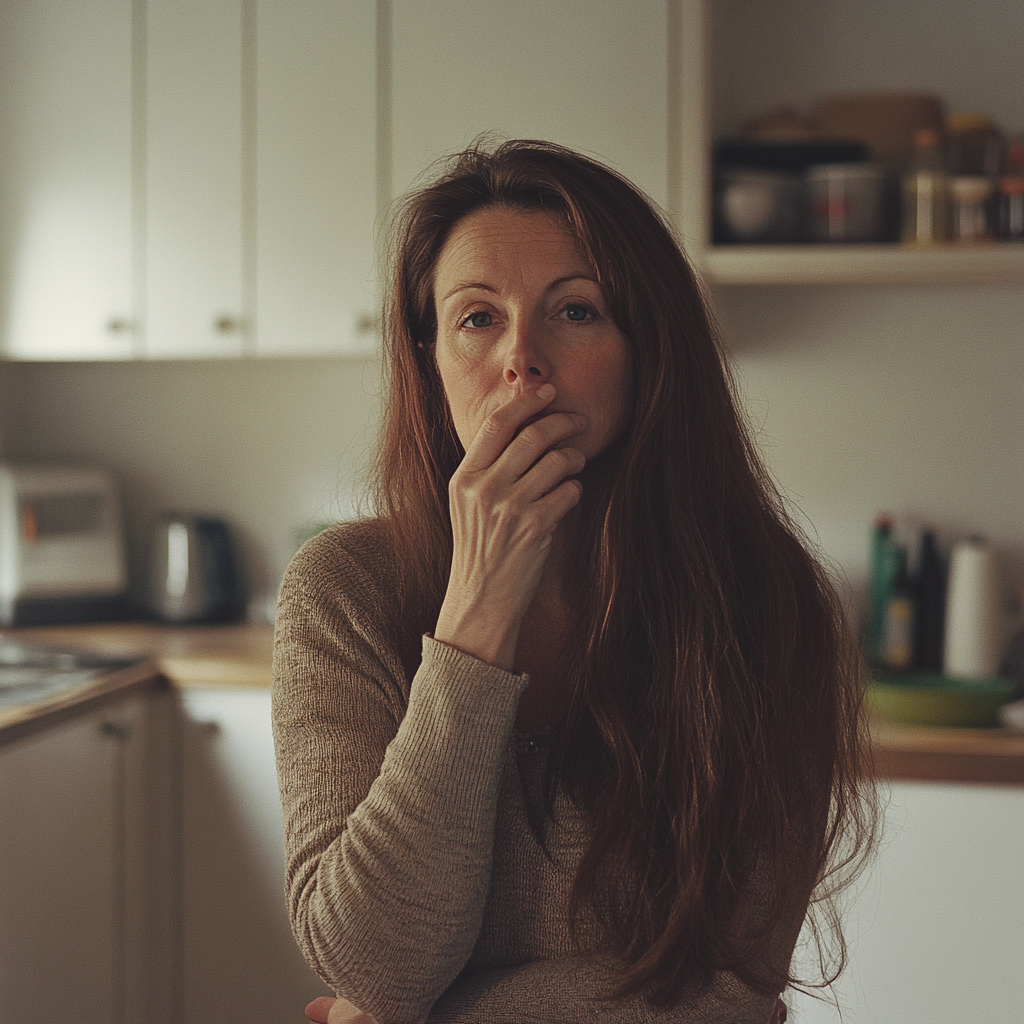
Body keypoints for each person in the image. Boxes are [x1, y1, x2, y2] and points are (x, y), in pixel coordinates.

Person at [272, 139, 876, 1024]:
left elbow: (727, 989)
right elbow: (377, 961)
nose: (523, 360)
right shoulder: (341, 590)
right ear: (430, 359)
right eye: (478, 318)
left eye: (576, 311)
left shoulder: (766, 599)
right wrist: (477, 614)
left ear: (647, 350)